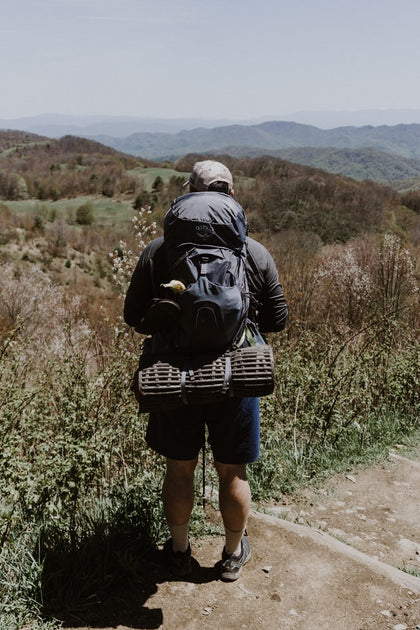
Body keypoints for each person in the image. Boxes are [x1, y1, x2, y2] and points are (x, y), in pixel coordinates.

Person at [124, 160, 288, 581]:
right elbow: (278, 319)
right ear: (231, 195)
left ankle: (179, 550)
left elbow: (132, 315)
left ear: (189, 194)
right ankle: (232, 554)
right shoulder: (253, 252)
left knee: (179, 468)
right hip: (236, 374)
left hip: (174, 374)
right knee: (232, 470)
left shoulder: (159, 251)